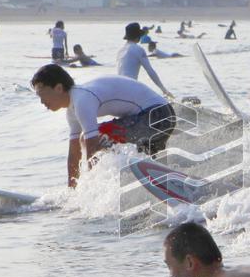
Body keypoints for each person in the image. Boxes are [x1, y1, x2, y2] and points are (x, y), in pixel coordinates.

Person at [30, 64, 175, 187]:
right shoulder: (72, 110)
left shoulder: (81, 99)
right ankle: (168, 183)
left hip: (156, 116)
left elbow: (92, 145)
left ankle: (109, 185)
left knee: (95, 138)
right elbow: (74, 154)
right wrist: (71, 188)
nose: (41, 101)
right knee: (153, 170)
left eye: (42, 94)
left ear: (59, 88)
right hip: (159, 117)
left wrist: (91, 189)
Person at [117, 22, 174, 99]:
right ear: (138, 36)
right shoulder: (138, 49)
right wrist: (164, 90)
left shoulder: (120, 50)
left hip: (119, 88)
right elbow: (150, 71)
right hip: (130, 87)